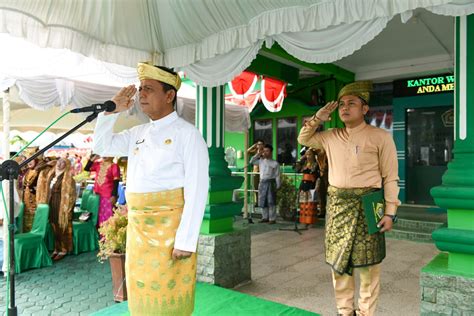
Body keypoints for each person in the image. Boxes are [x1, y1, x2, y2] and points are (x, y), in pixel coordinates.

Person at [93, 62, 209, 315]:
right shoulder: (138, 132)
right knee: (141, 295)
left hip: (170, 230)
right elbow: (102, 147)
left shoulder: (188, 135)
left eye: (148, 89)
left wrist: (186, 240)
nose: (141, 94)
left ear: (169, 96)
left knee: (169, 298)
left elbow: (198, 189)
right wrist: (111, 112)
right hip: (138, 230)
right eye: (140, 88)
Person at [297, 81, 399, 316]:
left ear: (365, 109)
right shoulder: (329, 136)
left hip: (370, 203)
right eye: (341, 104)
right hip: (338, 204)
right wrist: (318, 118)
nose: (344, 108)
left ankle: (365, 313)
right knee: (339, 263)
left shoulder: (380, 137)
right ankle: (345, 312)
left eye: (351, 103)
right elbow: (304, 138)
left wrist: (390, 211)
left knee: (369, 266)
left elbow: (391, 177)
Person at [44, 158, 76, 261]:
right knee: (54, 226)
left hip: (61, 205)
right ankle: (56, 248)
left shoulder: (68, 178)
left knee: (61, 227)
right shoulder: (52, 175)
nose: (59, 164)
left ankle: (64, 249)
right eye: (58, 162)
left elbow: (72, 195)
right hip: (52, 203)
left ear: (66, 165)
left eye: (63, 163)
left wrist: (67, 209)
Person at [84, 154, 120, 227]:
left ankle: (106, 236)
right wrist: (93, 159)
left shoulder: (114, 166)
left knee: (107, 215)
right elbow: (87, 168)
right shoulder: (98, 164)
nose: (105, 154)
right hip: (96, 195)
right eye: (104, 152)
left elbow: (116, 182)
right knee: (96, 214)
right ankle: (97, 234)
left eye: (108, 153)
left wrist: (114, 195)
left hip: (108, 195)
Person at [250, 144, 281, 224]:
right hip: (262, 182)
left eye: (267, 151)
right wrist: (259, 153)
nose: (265, 153)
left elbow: (277, 175)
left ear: (271, 152)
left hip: (271, 182)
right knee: (263, 200)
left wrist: (278, 185)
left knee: (271, 201)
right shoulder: (260, 161)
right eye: (264, 151)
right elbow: (251, 161)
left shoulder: (275, 163)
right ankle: (264, 217)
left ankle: (272, 219)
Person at [247, 139, 264, 206]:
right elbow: (247, 152)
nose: (259, 145)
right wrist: (253, 146)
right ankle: (257, 202)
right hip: (255, 172)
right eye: (258, 144)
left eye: (261, 144)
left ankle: (262, 201)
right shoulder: (255, 151)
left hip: (262, 173)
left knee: (262, 188)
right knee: (256, 187)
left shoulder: (264, 152)